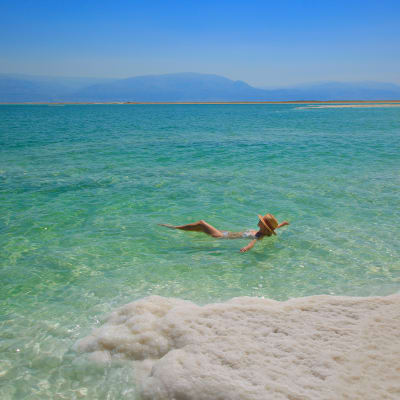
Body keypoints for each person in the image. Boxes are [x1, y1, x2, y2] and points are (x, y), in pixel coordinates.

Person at [159, 213, 289, 252]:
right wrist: (282, 224)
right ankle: (179, 228)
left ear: (264, 226)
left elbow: (253, 242)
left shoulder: (259, 235)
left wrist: (246, 248)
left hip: (221, 237)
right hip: (226, 233)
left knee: (201, 223)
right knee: (199, 228)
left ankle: (175, 228)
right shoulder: (264, 232)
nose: (258, 221)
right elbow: (274, 229)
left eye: (261, 221)